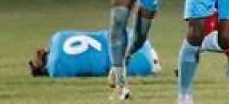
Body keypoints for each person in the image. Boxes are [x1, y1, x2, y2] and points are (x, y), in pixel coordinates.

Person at [29, 29, 160, 78]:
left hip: (129, 61)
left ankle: (152, 61)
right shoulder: (57, 37)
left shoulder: (56, 68)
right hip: (123, 38)